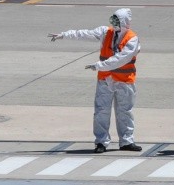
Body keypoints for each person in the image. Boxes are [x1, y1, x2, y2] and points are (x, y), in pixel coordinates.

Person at [48, 8, 142, 154]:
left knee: (125, 112)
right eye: (113, 19)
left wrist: (99, 65)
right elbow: (85, 33)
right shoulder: (106, 32)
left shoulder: (132, 39)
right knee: (101, 112)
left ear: (124, 22)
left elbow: (121, 59)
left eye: (117, 20)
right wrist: (64, 35)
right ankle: (101, 142)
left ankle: (127, 141)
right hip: (105, 79)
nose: (113, 23)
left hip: (124, 81)